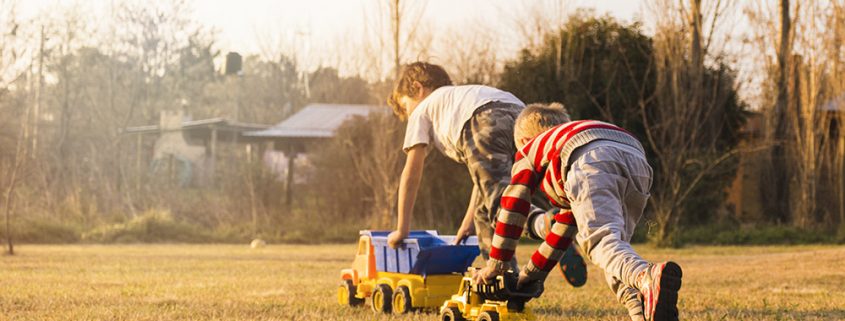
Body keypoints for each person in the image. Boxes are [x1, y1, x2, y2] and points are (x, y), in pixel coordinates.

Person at [474, 103, 683, 321]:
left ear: (524, 141)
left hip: (591, 159)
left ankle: (645, 275)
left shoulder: (531, 148)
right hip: (636, 158)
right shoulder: (565, 141)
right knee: (614, 251)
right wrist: (529, 276)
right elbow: (562, 232)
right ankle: (641, 313)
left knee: (601, 242)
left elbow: (513, 204)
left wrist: (496, 264)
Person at [384, 61, 534, 265]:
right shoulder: (461, 97)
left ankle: (545, 225)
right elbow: (484, 179)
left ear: (418, 89)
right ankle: (503, 280)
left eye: (406, 107)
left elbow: (411, 173)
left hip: (485, 118)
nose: (409, 114)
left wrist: (402, 229)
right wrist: (467, 221)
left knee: (503, 207)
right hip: (523, 115)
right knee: (485, 212)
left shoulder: (422, 109)